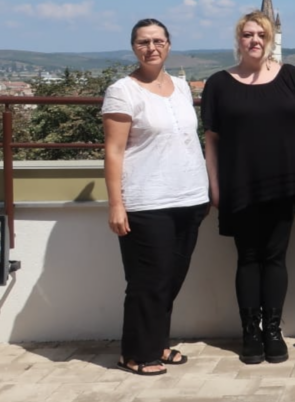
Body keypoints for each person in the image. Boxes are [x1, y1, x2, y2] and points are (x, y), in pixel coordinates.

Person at [201, 11, 295, 365]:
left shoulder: (292, 77)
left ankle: (273, 332)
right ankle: (250, 332)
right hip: (239, 182)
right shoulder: (219, 83)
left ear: (270, 39)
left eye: (261, 35)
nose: (254, 40)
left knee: (276, 257)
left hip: (284, 180)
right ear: (239, 40)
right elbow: (212, 140)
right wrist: (214, 185)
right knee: (248, 257)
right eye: (248, 34)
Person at [102, 19, 209, 375]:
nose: (151, 47)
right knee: (148, 280)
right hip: (147, 200)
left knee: (172, 277)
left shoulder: (181, 87)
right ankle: (134, 354)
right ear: (134, 47)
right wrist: (116, 204)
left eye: (158, 41)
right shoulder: (123, 91)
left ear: (168, 44)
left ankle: (158, 344)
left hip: (190, 197)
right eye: (143, 42)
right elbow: (113, 151)